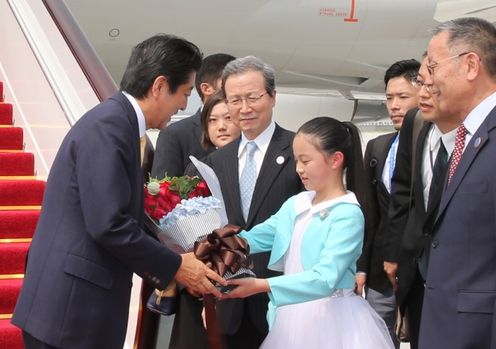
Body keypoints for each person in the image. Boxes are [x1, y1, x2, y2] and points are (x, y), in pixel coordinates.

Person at [11, 34, 226, 349]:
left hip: (75, 307)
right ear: (159, 86)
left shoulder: (118, 124)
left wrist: (181, 258)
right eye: (184, 93)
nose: (183, 104)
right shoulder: (110, 128)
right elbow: (109, 224)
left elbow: (124, 217)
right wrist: (177, 266)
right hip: (70, 312)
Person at [224, 116, 394, 349]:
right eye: (296, 161)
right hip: (290, 316)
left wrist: (263, 285)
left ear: (336, 160)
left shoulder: (347, 214)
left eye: (305, 161)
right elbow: (255, 237)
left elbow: (325, 278)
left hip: (332, 320)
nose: (298, 169)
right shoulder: (298, 203)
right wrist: (216, 242)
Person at [199, 56, 304, 349]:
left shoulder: (299, 150)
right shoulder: (215, 162)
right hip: (229, 299)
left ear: (273, 97)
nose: (243, 108)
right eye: (235, 100)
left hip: (282, 298)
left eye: (252, 97)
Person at [416, 17, 496, 349]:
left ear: (470, 65)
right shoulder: (465, 137)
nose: (429, 82)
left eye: (433, 68)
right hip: (447, 324)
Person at [385, 56, 460, 349]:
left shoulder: (474, 131)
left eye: (430, 77)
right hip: (416, 268)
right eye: (422, 79)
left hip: (459, 272)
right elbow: (402, 191)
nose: (426, 87)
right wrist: (394, 254)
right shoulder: (416, 123)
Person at [355, 59, 420, 347]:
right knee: (377, 338)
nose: (393, 105)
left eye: (402, 97)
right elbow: (371, 212)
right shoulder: (378, 146)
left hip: (418, 268)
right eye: (389, 98)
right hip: (380, 268)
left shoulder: (435, 145)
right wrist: (362, 266)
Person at [169, 91, 240, 349]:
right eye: (212, 120)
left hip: (242, 278)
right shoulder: (197, 168)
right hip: (200, 278)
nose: (220, 126)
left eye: (228, 118)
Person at [152, 53, 235, 178]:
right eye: (231, 86)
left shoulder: (249, 131)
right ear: (206, 88)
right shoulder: (175, 135)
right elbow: (163, 192)